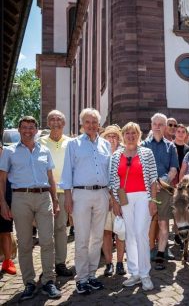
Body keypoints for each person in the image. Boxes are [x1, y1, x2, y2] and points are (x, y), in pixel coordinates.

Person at [0, 116, 61, 300]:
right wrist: (3, 203)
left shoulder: (44, 150)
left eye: (31, 127)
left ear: (36, 130)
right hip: (20, 198)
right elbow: (2, 179)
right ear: (19, 130)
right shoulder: (9, 152)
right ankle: (29, 282)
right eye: (24, 127)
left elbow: (50, 178)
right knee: (25, 242)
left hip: (43, 197)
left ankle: (49, 281)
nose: (28, 130)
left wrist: (55, 200)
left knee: (47, 240)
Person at [61, 108, 111, 294]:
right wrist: (67, 196)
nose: (91, 125)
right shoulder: (74, 145)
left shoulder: (105, 144)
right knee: (82, 238)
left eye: (94, 122)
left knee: (97, 238)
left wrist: (111, 196)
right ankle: (81, 278)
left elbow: (110, 172)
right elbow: (67, 172)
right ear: (82, 124)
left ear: (99, 124)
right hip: (81, 195)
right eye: (87, 122)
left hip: (102, 194)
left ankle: (91, 275)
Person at [110, 122, 159, 291]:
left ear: (139, 135)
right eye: (128, 133)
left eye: (134, 133)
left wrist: (153, 201)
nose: (131, 136)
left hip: (143, 197)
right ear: (123, 135)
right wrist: (115, 202)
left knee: (141, 234)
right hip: (124, 198)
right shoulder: (116, 156)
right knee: (129, 235)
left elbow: (153, 179)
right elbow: (112, 181)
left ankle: (145, 274)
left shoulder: (147, 153)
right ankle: (134, 272)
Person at [38, 110, 74, 277]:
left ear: (64, 123)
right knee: (46, 231)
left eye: (59, 119)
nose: (55, 122)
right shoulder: (39, 142)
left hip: (64, 191)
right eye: (52, 119)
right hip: (45, 193)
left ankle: (60, 263)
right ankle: (47, 265)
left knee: (61, 229)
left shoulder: (71, 143)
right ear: (48, 122)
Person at [141, 113, 179, 267]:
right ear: (151, 125)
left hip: (163, 189)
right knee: (144, 223)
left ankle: (161, 254)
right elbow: (140, 167)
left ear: (165, 127)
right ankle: (144, 253)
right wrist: (151, 183)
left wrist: (162, 181)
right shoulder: (143, 146)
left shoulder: (171, 147)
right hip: (145, 190)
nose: (157, 126)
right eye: (155, 124)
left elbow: (173, 169)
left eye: (160, 124)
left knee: (163, 224)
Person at [100, 125, 126, 276]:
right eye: (108, 136)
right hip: (103, 195)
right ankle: (109, 263)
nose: (111, 139)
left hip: (122, 195)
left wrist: (118, 200)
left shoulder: (124, 154)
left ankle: (120, 263)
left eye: (114, 136)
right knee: (106, 232)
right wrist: (109, 197)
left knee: (121, 231)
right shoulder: (100, 154)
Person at [0, 142, 16, 276]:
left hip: (4, 201)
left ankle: (7, 261)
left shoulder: (7, 164)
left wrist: (7, 203)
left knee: (5, 232)